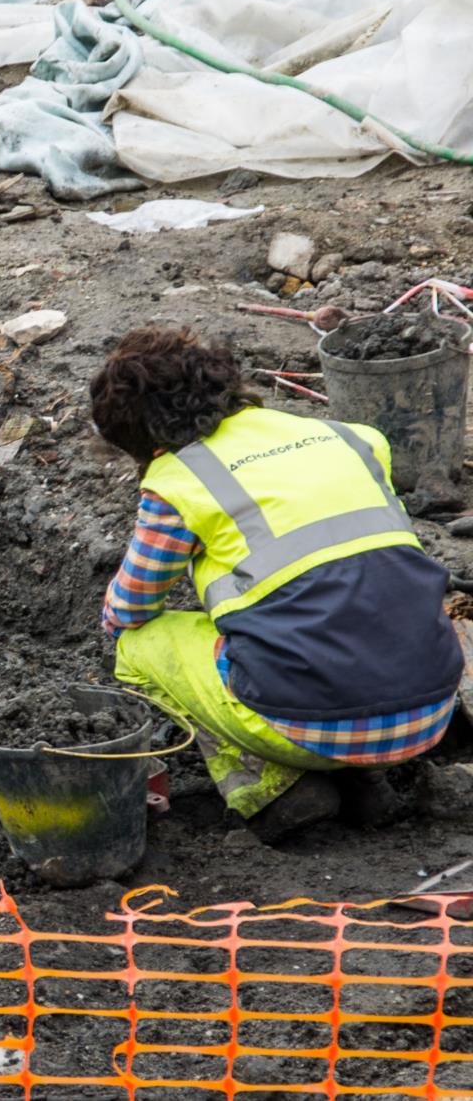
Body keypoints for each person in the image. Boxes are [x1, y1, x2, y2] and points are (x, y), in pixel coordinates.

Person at [90, 325, 463, 838]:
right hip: (431, 708)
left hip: (312, 728)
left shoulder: (178, 479)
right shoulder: (352, 437)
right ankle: (365, 783)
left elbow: (129, 609)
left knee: (138, 645)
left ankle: (275, 791)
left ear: (141, 438)